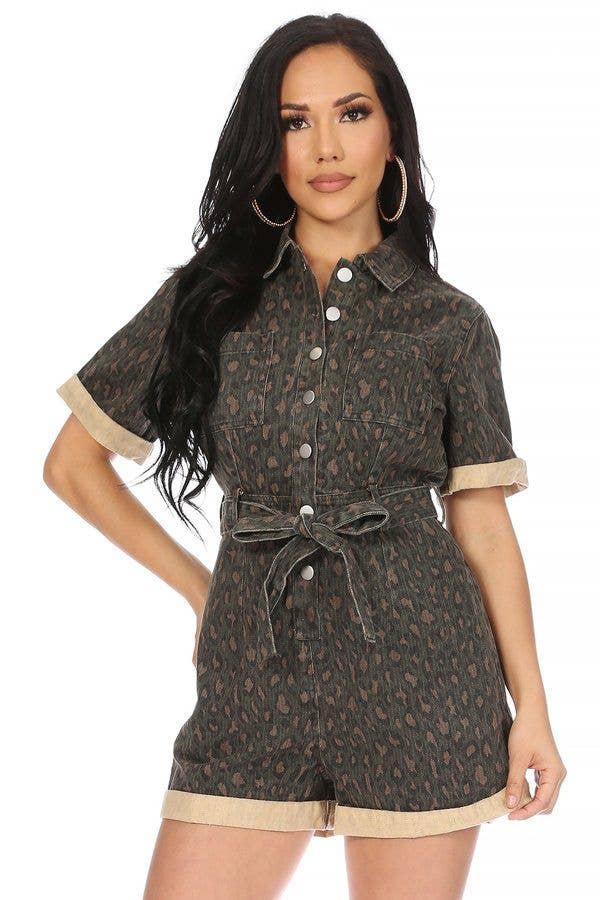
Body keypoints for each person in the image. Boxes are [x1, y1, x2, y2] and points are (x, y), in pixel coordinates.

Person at [44, 13, 566, 900]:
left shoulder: (449, 323)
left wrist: (535, 713)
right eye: (295, 121)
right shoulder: (209, 301)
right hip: (250, 684)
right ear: (270, 143)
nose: (326, 146)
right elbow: (72, 465)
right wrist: (201, 589)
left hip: (423, 682)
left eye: (352, 113)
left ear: (392, 132)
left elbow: (481, 524)